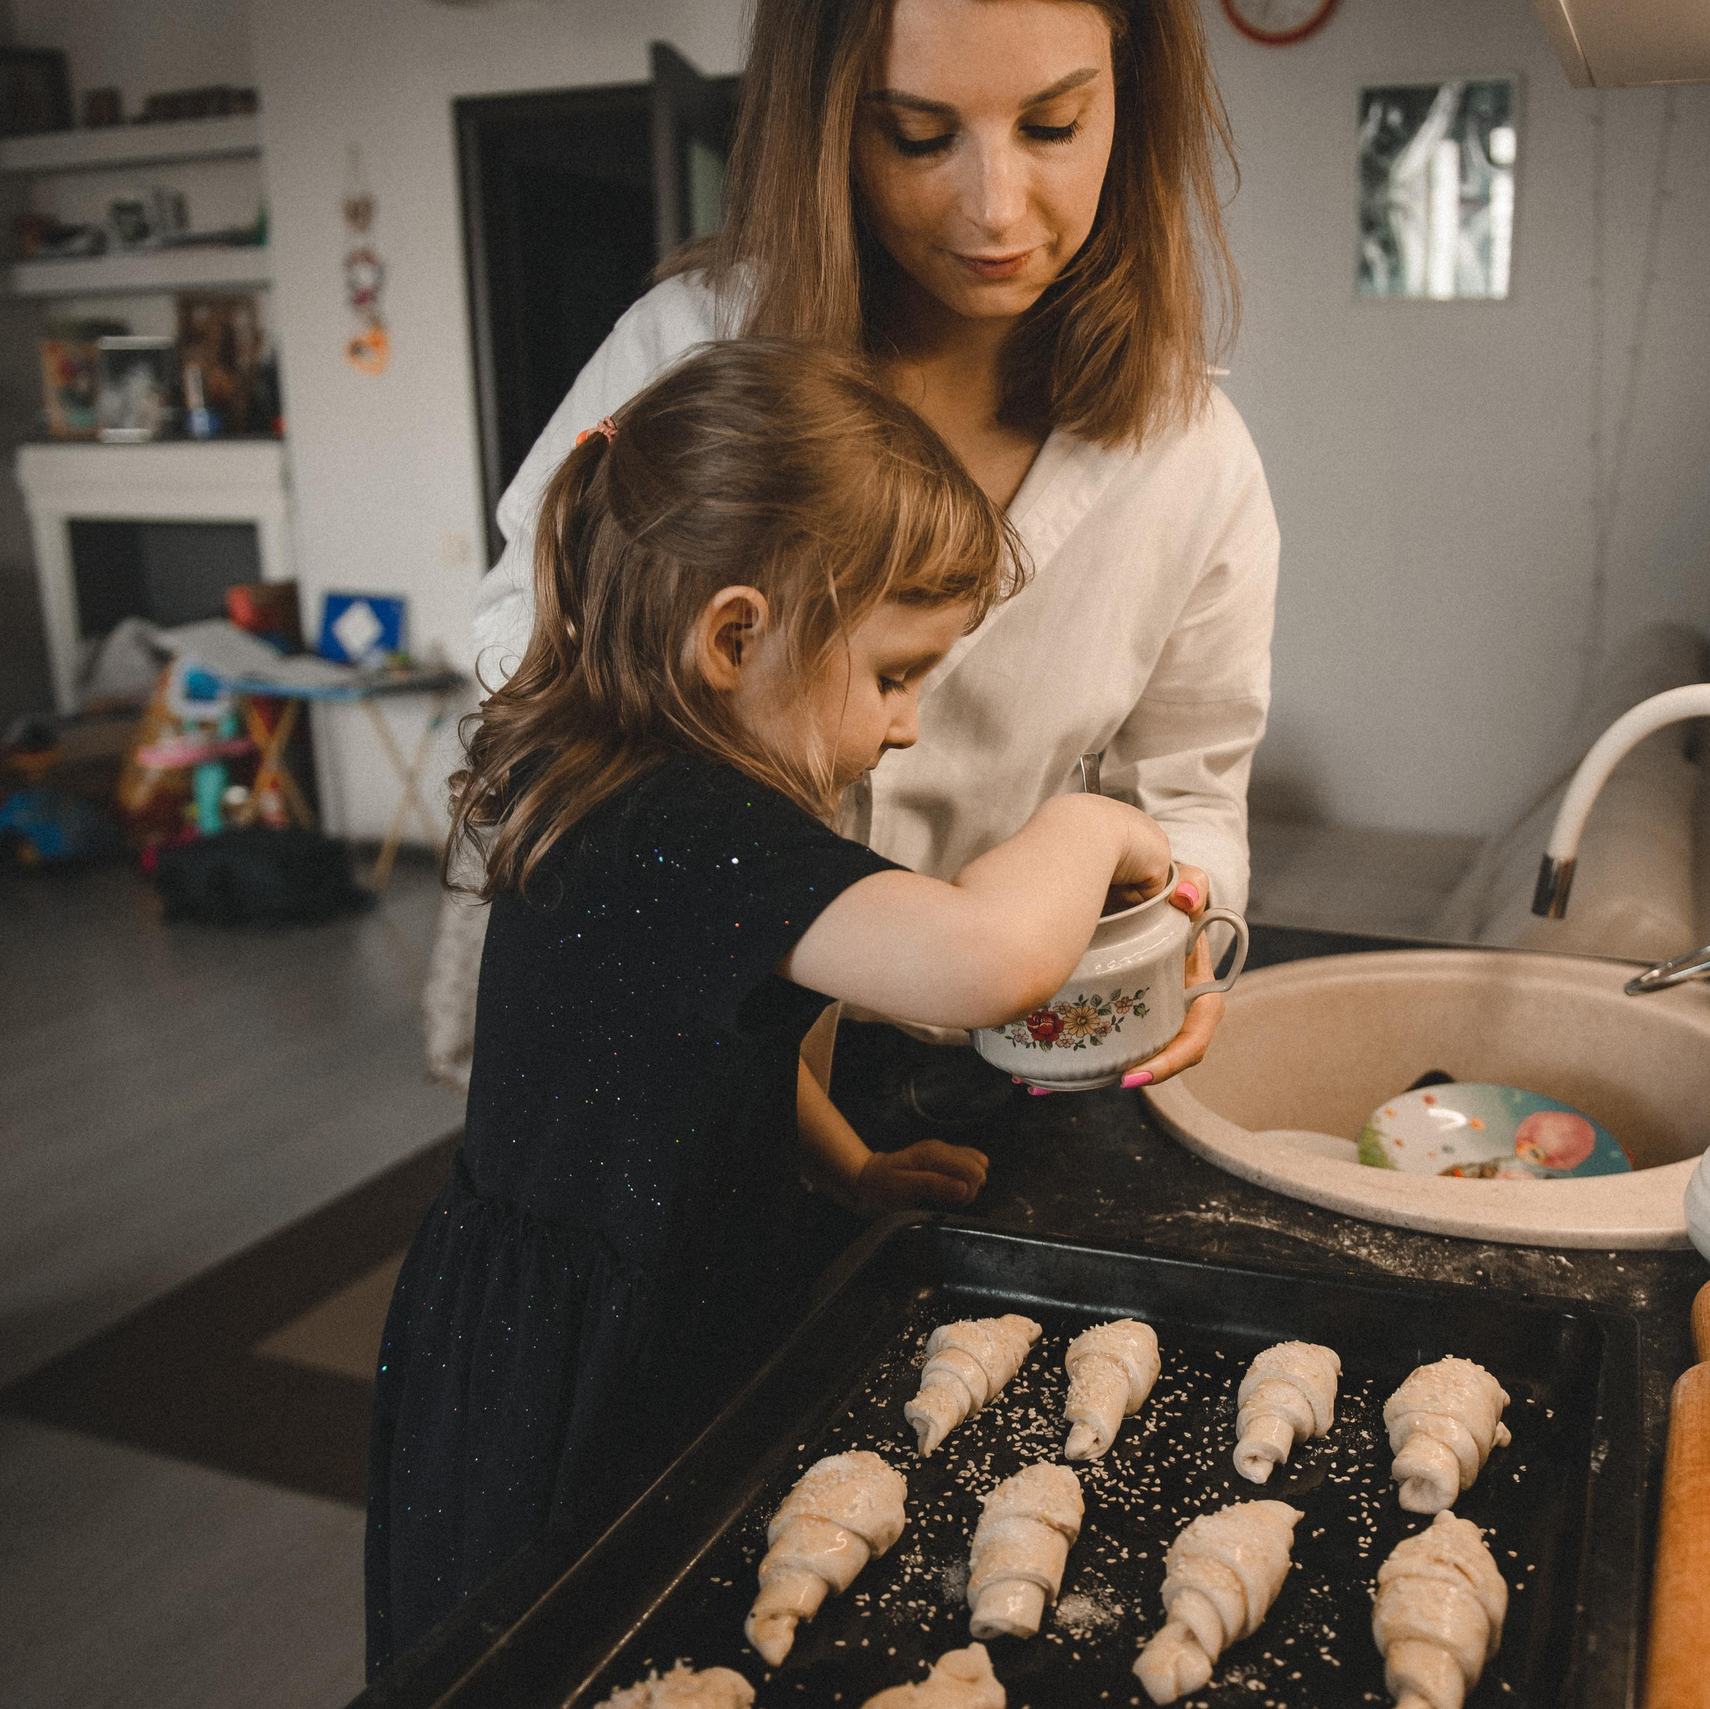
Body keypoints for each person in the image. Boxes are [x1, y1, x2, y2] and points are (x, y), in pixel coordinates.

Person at [367, 340, 1173, 1670]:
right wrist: (1089, 822)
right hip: (579, 1359)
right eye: (896, 674)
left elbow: (710, 1040)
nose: (908, 725)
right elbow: (985, 961)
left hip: (600, 1293)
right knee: (554, 1644)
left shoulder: (639, 781)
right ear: (736, 635)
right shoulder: (683, 825)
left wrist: (849, 1166)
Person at [428, 0, 1277, 1132]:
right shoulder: (689, 354)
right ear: (826, 126)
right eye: (921, 137)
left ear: (1132, 95)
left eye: (1055, 125)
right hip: (677, 1053)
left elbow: (1190, 796)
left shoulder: (1190, 457)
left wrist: (1184, 936)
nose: (995, 206)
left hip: (1006, 1063)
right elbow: (521, 661)